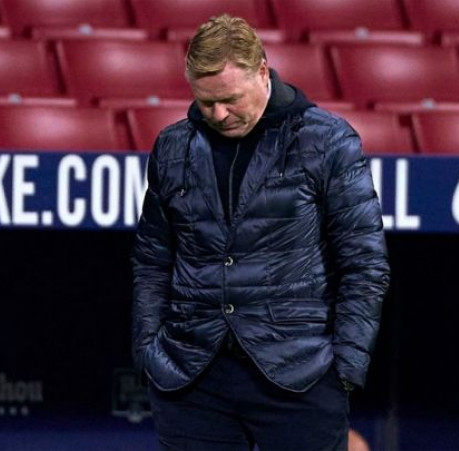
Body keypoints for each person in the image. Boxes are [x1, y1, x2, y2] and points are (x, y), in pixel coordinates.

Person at [131, 14, 390, 451]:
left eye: (230, 99)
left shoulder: (328, 141)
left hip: (301, 377)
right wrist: (148, 352)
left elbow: (365, 263)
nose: (219, 114)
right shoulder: (172, 146)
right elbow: (152, 260)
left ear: (263, 72)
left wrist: (344, 370)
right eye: (206, 102)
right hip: (191, 378)